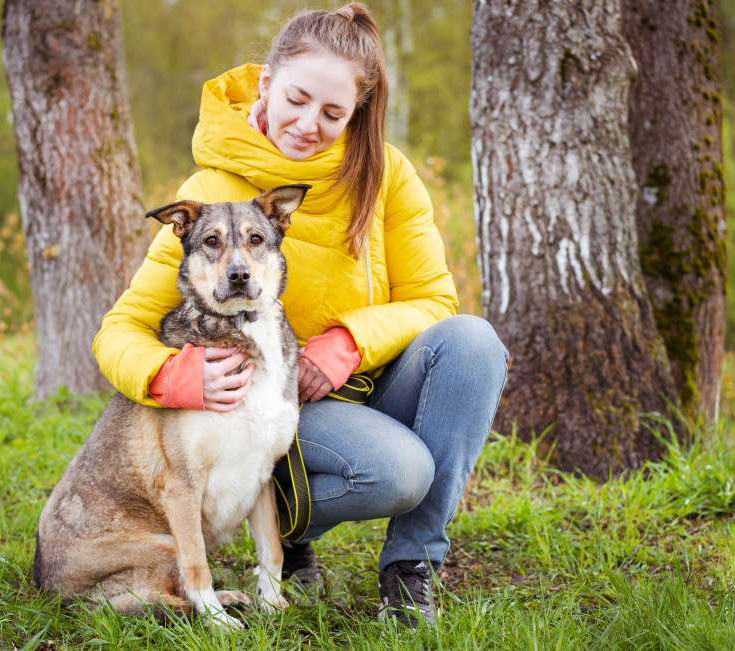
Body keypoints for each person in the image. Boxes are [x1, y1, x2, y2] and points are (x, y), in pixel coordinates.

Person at [92, 2, 509, 628]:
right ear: (267, 82)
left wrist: (350, 341)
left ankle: (412, 567)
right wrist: (170, 376)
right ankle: (282, 528)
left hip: (368, 377)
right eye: (297, 99)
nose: (310, 124)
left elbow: (434, 299)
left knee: (473, 342)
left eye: (333, 113)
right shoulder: (212, 194)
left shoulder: (387, 174)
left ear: (356, 113)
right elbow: (120, 329)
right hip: (282, 398)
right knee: (400, 472)